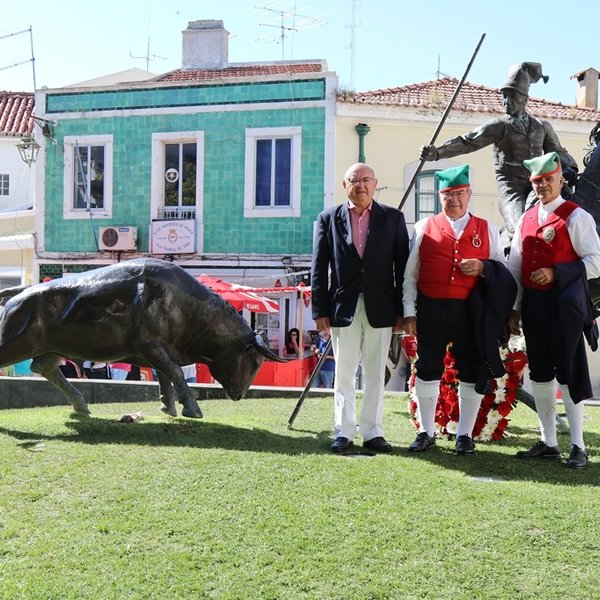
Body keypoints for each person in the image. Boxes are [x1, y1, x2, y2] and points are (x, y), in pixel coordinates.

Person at [403, 164, 515, 455]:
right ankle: (425, 431)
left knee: (471, 369)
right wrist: (408, 311)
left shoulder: (486, 228)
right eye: (447, 195)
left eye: (459, 194)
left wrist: (482, 268)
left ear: (469, 194)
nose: (454, 200)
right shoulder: (423, 227)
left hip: (471, 311)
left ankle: (464, 434)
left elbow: (501, 271)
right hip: (432, 308)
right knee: (428, 368)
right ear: (440, 197)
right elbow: (410, 275)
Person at [420, 62, 578, 249]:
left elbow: (558, 152)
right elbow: (467, 142)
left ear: (523, 99)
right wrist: (437, 152)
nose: (505, 102)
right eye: (503, 97)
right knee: (518, 227)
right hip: (512, 188)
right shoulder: (499, 126)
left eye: (510, 97)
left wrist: (570, 168)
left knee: (570, 216)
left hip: (537, 184)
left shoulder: (542, 127)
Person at [507, 152, 600, 469]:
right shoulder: (526, 219)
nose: (543, 185)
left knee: (570, 374)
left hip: (566, 307)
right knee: (542, 374)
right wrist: (515, 308)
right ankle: (548, 441)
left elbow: (595, 261)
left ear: (561, 180)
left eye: (549, 179)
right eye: (537, 181)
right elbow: (516, 267)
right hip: (534, 305)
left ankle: (578, 445)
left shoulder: (576, 217)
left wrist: (557, 272)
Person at [311, 162, 409, 453]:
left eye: (366, 180)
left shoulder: (393, 218)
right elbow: (319, 268)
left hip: (382, 308)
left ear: (375, 183)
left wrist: (403, 311)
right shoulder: (328, 218)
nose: (361, 185)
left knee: (376, 372)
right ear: (345, 185)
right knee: (343, 372)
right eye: (354, 180)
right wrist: (320, 311)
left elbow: (403, 268)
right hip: (343, 308)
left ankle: (372, 432)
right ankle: (344, 431)